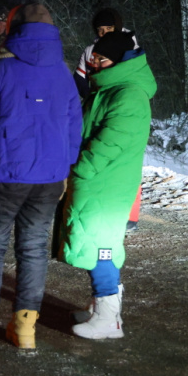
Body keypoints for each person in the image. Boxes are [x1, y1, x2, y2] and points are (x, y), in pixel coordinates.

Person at [0, 3, 82, 349]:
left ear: (15, 29)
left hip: (3, 172)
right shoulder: (63, 72)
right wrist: (66, 167)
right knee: (34, 247)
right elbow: (74, 126)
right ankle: (25, 328)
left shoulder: (0, 69)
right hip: (49, 177)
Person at [62, 30, 156, 340]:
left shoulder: (128, 94)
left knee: (101, 247)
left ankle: (107, 318)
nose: (94, 65)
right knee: (97, 244)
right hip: (100, 181)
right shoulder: (109, 89)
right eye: (94, 59)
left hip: (105, 183)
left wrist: (80, 169)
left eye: (100, 59)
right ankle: (103, 311)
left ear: (119, 60)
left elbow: (109, 143)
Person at [74, 8, 142, 231]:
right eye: (100, 30)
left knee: (126, 159)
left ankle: (130, 215)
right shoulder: (90, 50)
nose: (103, 33)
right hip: (95, 105)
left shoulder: (129, 46)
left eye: (108, 29)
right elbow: (80, 78)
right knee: (98, 152)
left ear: (118, 26)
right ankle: (98, 208)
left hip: (121, 106)